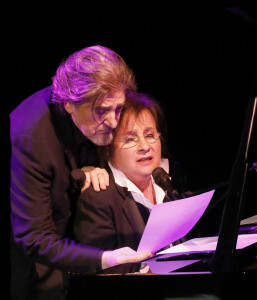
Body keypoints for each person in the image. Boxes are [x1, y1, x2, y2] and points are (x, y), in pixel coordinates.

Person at [10, 45, 152, 300]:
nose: (113, 121)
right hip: (31, 266)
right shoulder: (30, 137)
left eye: (118, 108)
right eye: (102, 111)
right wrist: (106, 258)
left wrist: (88, 169)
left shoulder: (94, 118)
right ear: (68, 105)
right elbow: (35, 239)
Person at [74, 92, 186, 274]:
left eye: (150, 135)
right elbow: (100, 275)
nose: (144, 146)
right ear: (108, 149)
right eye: (129, 139)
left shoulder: (171, 179)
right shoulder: (98, 198)